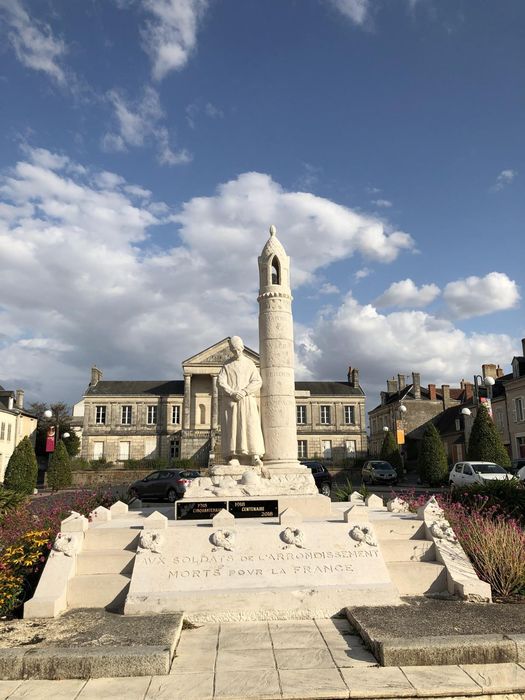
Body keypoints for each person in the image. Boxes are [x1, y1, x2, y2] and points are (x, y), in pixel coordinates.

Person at [218, 336, 265, 464]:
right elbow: (221, 381)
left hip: (247, 399)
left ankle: (254, 455)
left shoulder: (250, 363)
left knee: (251, 426)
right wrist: (232, 392)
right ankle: (234, 456)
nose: (236, 352)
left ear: (242, 348)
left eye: (238, 349)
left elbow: (257, 381)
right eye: (233, 350)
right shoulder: (227, 365)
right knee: (233, 428)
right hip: (232, 401)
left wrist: (244, 392)